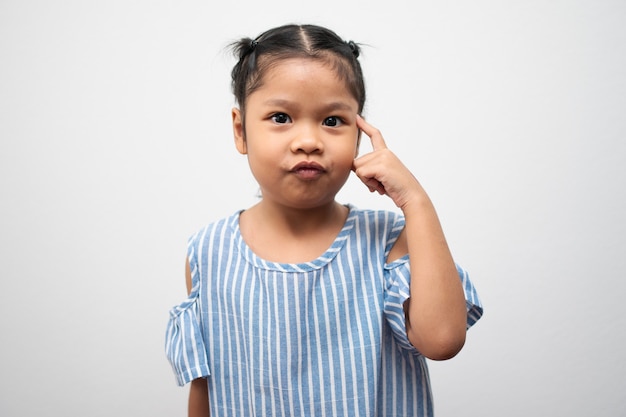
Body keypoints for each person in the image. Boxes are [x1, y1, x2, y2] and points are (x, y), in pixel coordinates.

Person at [165, 23, 483, 417]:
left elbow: (442, 340)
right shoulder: (209, 252)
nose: (309, 140)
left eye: (332, 121)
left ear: (359, 132)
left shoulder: (389, 242)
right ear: (240, 129)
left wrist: (415, 201)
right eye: (281, 117)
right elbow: (206, 389)